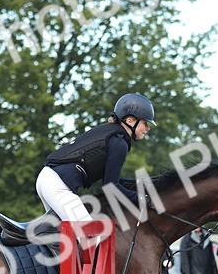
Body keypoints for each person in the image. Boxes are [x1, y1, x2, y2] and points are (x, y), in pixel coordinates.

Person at [38, 93, 153, 224]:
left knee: (60, 238)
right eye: (145, 123)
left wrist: (139, 186)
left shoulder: (110, 133)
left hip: (47, 178)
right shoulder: (119, 143)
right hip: (57, 186)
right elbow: (111, 188)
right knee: (91, 235)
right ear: (130, 121)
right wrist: (142, 199)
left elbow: (110, 180)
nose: (148, 128)